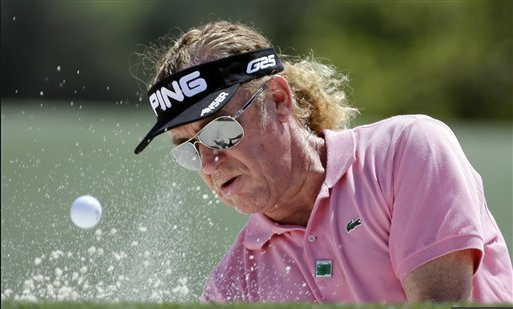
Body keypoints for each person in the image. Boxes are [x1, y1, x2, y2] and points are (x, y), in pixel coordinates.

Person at [134, 20, 513, 304]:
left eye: (220, 131)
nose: (210, 163)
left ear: (279, 100)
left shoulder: (408, 149)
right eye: (189, 148)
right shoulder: (231, 285)